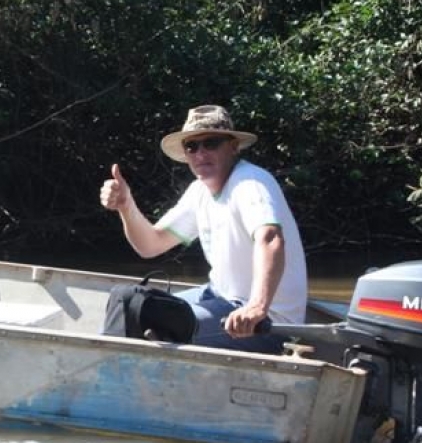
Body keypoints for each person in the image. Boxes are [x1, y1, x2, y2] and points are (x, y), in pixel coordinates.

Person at [99, 105, 307, 354]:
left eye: (211, 143)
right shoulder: (200, 191)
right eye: (192, 146)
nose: (200, 153)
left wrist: (257, 307)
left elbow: (271, 238)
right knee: (127, 302)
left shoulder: (250, 183)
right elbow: (150, 245)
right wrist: (126, 205)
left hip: (267, 323)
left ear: (233, 147)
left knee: (147, 320)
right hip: (218, 298)